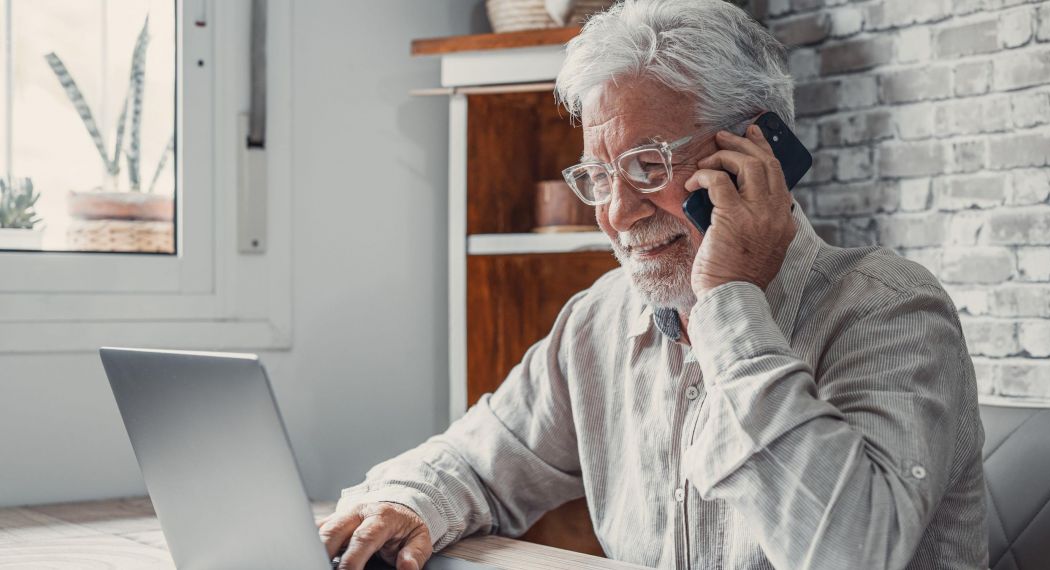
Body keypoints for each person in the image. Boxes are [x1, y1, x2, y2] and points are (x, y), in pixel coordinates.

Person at [319, 1, 986, 568]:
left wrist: (729, 300)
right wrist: (410, 500)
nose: (615, 212)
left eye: (646, 165)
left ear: (758, 155)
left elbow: (850, 551)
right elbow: (479, 457)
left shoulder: (890, 308)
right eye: (599, 176)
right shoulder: (602, 318)